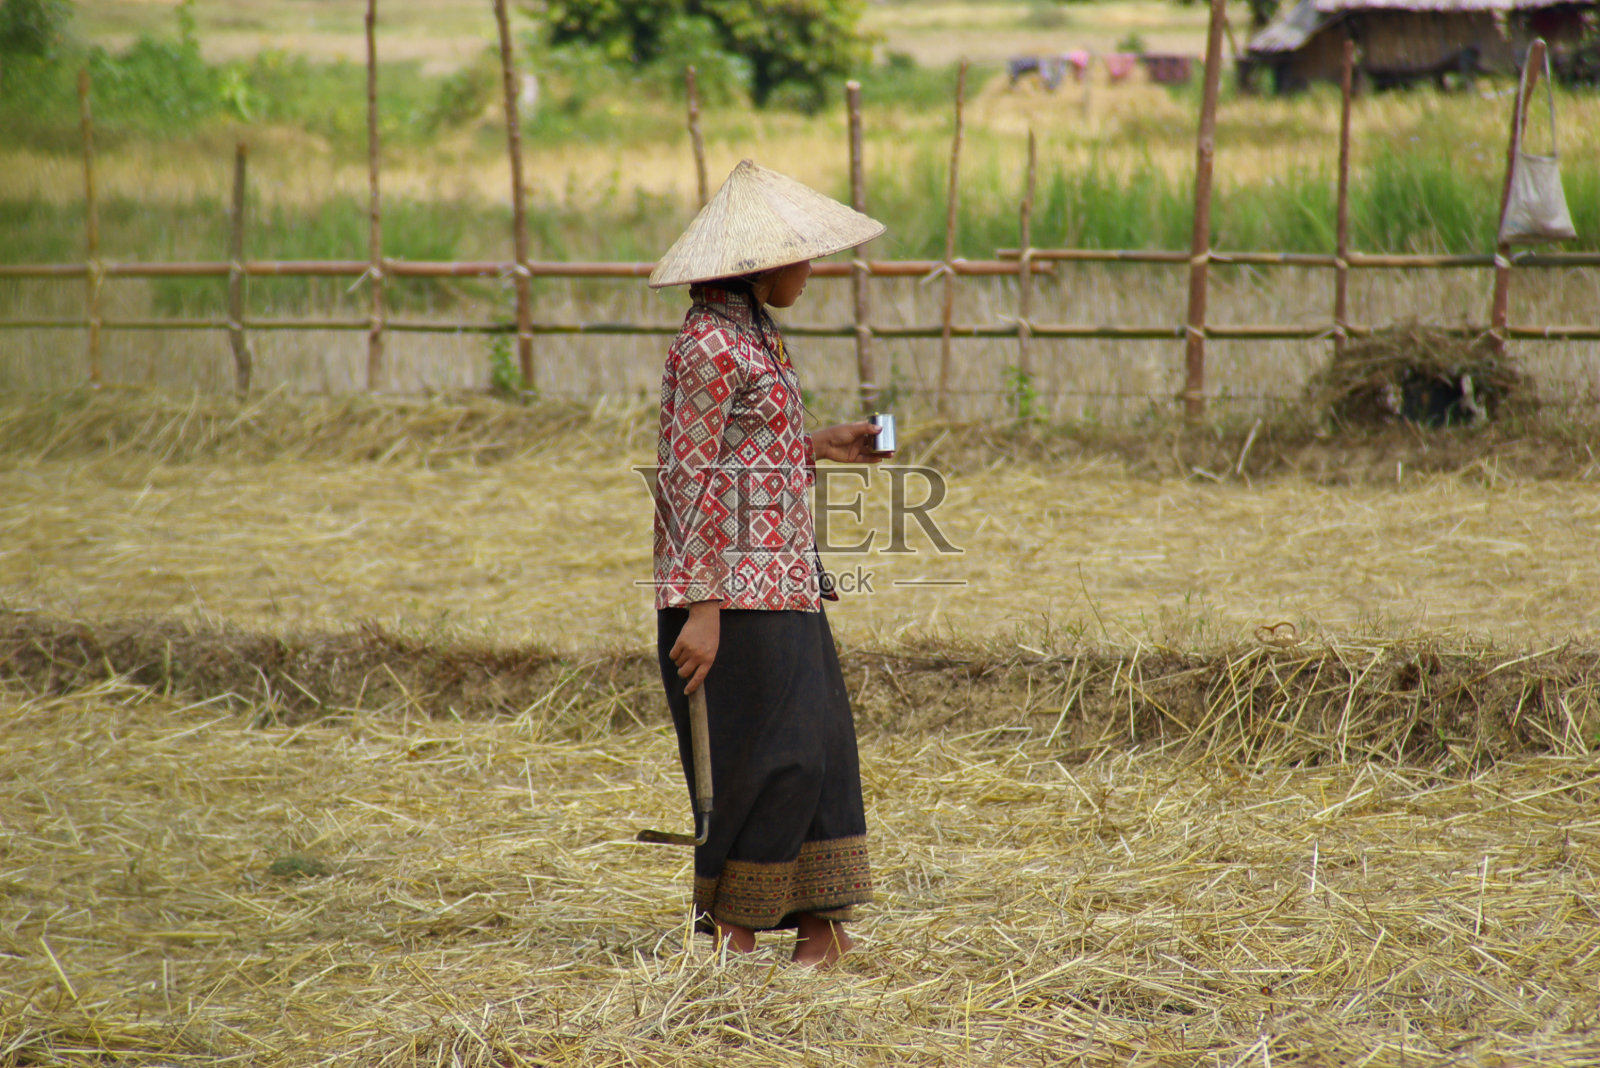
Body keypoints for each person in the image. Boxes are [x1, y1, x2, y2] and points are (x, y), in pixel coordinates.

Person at [647, 159, 887, 967]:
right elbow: (690, 477)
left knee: (820, 750)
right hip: (732, 593)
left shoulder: (754, 333)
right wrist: (702, 607)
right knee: (766, 759)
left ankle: (820, 932)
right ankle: (733, 940)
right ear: (756, 262)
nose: (811, 271)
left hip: (783, 579)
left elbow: (745, 455)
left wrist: (818, 446)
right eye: (802, 256)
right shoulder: (709, 345)